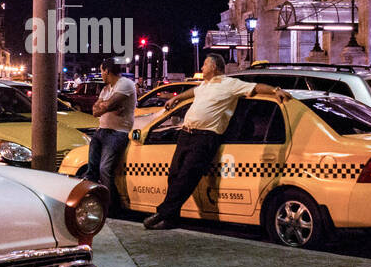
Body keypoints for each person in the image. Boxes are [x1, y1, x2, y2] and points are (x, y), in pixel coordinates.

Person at [144, 53, 289, 230]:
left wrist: (275, 91)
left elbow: (256, 87)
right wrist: (177, 98)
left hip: (205, 137)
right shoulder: (205, 85)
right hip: (186, 134)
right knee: (174, 174)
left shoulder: (230, 84)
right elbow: (193, 91)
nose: (202, 68)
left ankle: (163, 212)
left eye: (205, 64)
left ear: (214, 67)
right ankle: (171, 219)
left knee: (187, 176)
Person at [87, 60, 137, 206]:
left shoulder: (125, 84)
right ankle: (92, 202)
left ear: (107, 71)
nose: (101, 74)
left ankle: (111, 205)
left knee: (105, 168)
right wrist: (110, 107)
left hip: (117, 133)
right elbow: (95, 111)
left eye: (101, 71)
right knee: (92, 169)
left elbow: (106, 105)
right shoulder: (106, 89)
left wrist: (107, 105)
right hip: (101, 131)